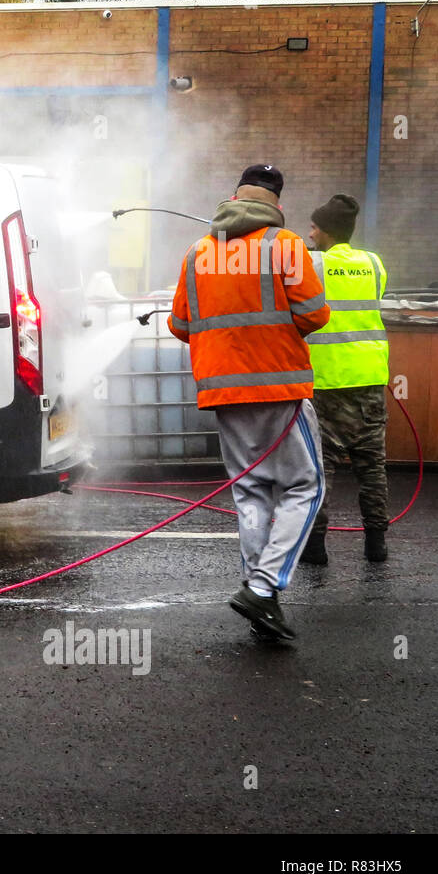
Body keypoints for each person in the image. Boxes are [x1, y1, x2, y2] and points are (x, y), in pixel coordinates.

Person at [168, 165, 331, 641]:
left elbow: (180, 324)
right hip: (279, 388)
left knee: (252, 491)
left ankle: (259, 594)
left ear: (234, 196)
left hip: (223, 391)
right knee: (305, 486)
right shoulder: (286, 245)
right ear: (276, 203)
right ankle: (263, 588)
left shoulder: (198, 252)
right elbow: (314, 314)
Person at [299, 194, 391, 564]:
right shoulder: (373, 263)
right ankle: (376, 544)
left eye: (314, 227)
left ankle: (315, 547)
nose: (310, 233)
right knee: (372, 468)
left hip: (327, 382)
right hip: (370, 379)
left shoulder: (312, 263)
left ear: (326, 231)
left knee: (319, 468)